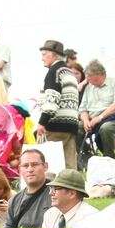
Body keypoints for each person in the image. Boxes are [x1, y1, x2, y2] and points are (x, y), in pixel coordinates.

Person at [37, 40, 82, 170]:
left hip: (55, 125)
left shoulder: (54, 72)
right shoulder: (68, 72)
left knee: (52, 166)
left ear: (53, 55)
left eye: (44, 54)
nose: (42, 58)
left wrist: (42, 122)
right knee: (69, 166)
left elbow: (52, 99)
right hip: (71, 125)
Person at [79, 60, 115, 159]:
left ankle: (109, 158)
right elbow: (83, 109)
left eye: (89, 77)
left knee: (106, 128)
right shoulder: (89, 87)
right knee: (76, 127)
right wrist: (85, 121)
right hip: (92, 120)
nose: (87, 80)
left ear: (98, 75)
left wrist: (100, 117)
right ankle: (87, 156)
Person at [5, 148, 51, 228]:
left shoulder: (56, 194)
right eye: (25, 166)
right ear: (20, 169)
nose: (30, 169)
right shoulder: (14, 201)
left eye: (34, 165)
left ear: (45, 166)